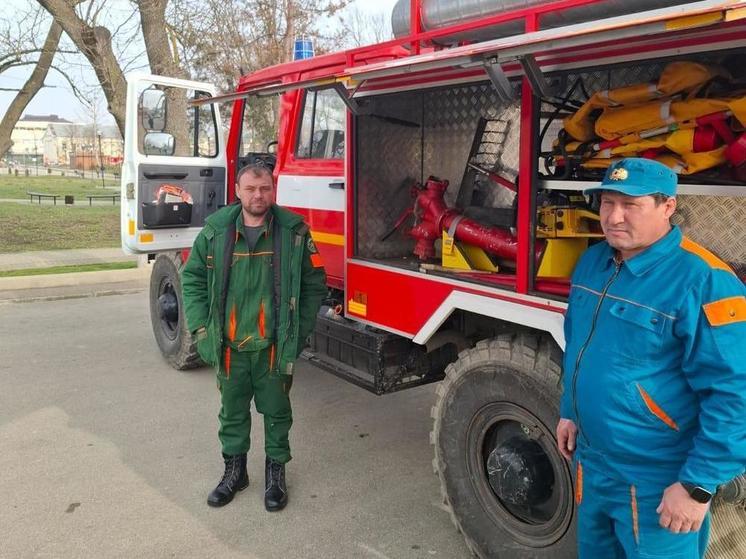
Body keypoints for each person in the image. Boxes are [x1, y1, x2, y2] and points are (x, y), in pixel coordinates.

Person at [556, 157, 746, 558]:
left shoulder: (705, 280)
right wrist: (569, 410)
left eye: (632, 204)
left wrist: (697, 485)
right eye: (607, 202)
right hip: (591, 467)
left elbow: (734, 392)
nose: (614, 217)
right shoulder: (592, 262)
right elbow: (578, 344)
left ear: (668, 206)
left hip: (658, 480)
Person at [182, 163, 326, 511]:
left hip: (273, 349)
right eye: (251, 189)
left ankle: (275, 476)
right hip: (229, 347)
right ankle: (235, 473)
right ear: (237, 190)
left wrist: (299, 331)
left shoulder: (294, 232)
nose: (258, 195)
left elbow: (314, 285)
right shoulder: (215, 232)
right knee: (231, 413)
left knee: (277, 413)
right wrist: (202, 330)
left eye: (264, 188)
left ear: (272, 190)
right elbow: (192, 281)